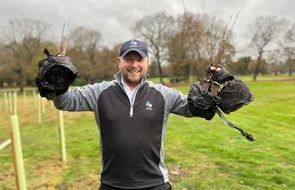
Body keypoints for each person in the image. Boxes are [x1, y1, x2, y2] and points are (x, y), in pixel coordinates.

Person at [51, 39, 231, 189]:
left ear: (147, 62)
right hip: (112, 184)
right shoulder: (99, 92)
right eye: (129, 59)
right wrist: (58, 79)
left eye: (140, 59)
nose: (134, 65)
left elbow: (193, 108)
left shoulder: (163, 94)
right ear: (119, 61)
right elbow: (65, 101)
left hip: (155, 184)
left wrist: (212, 87)